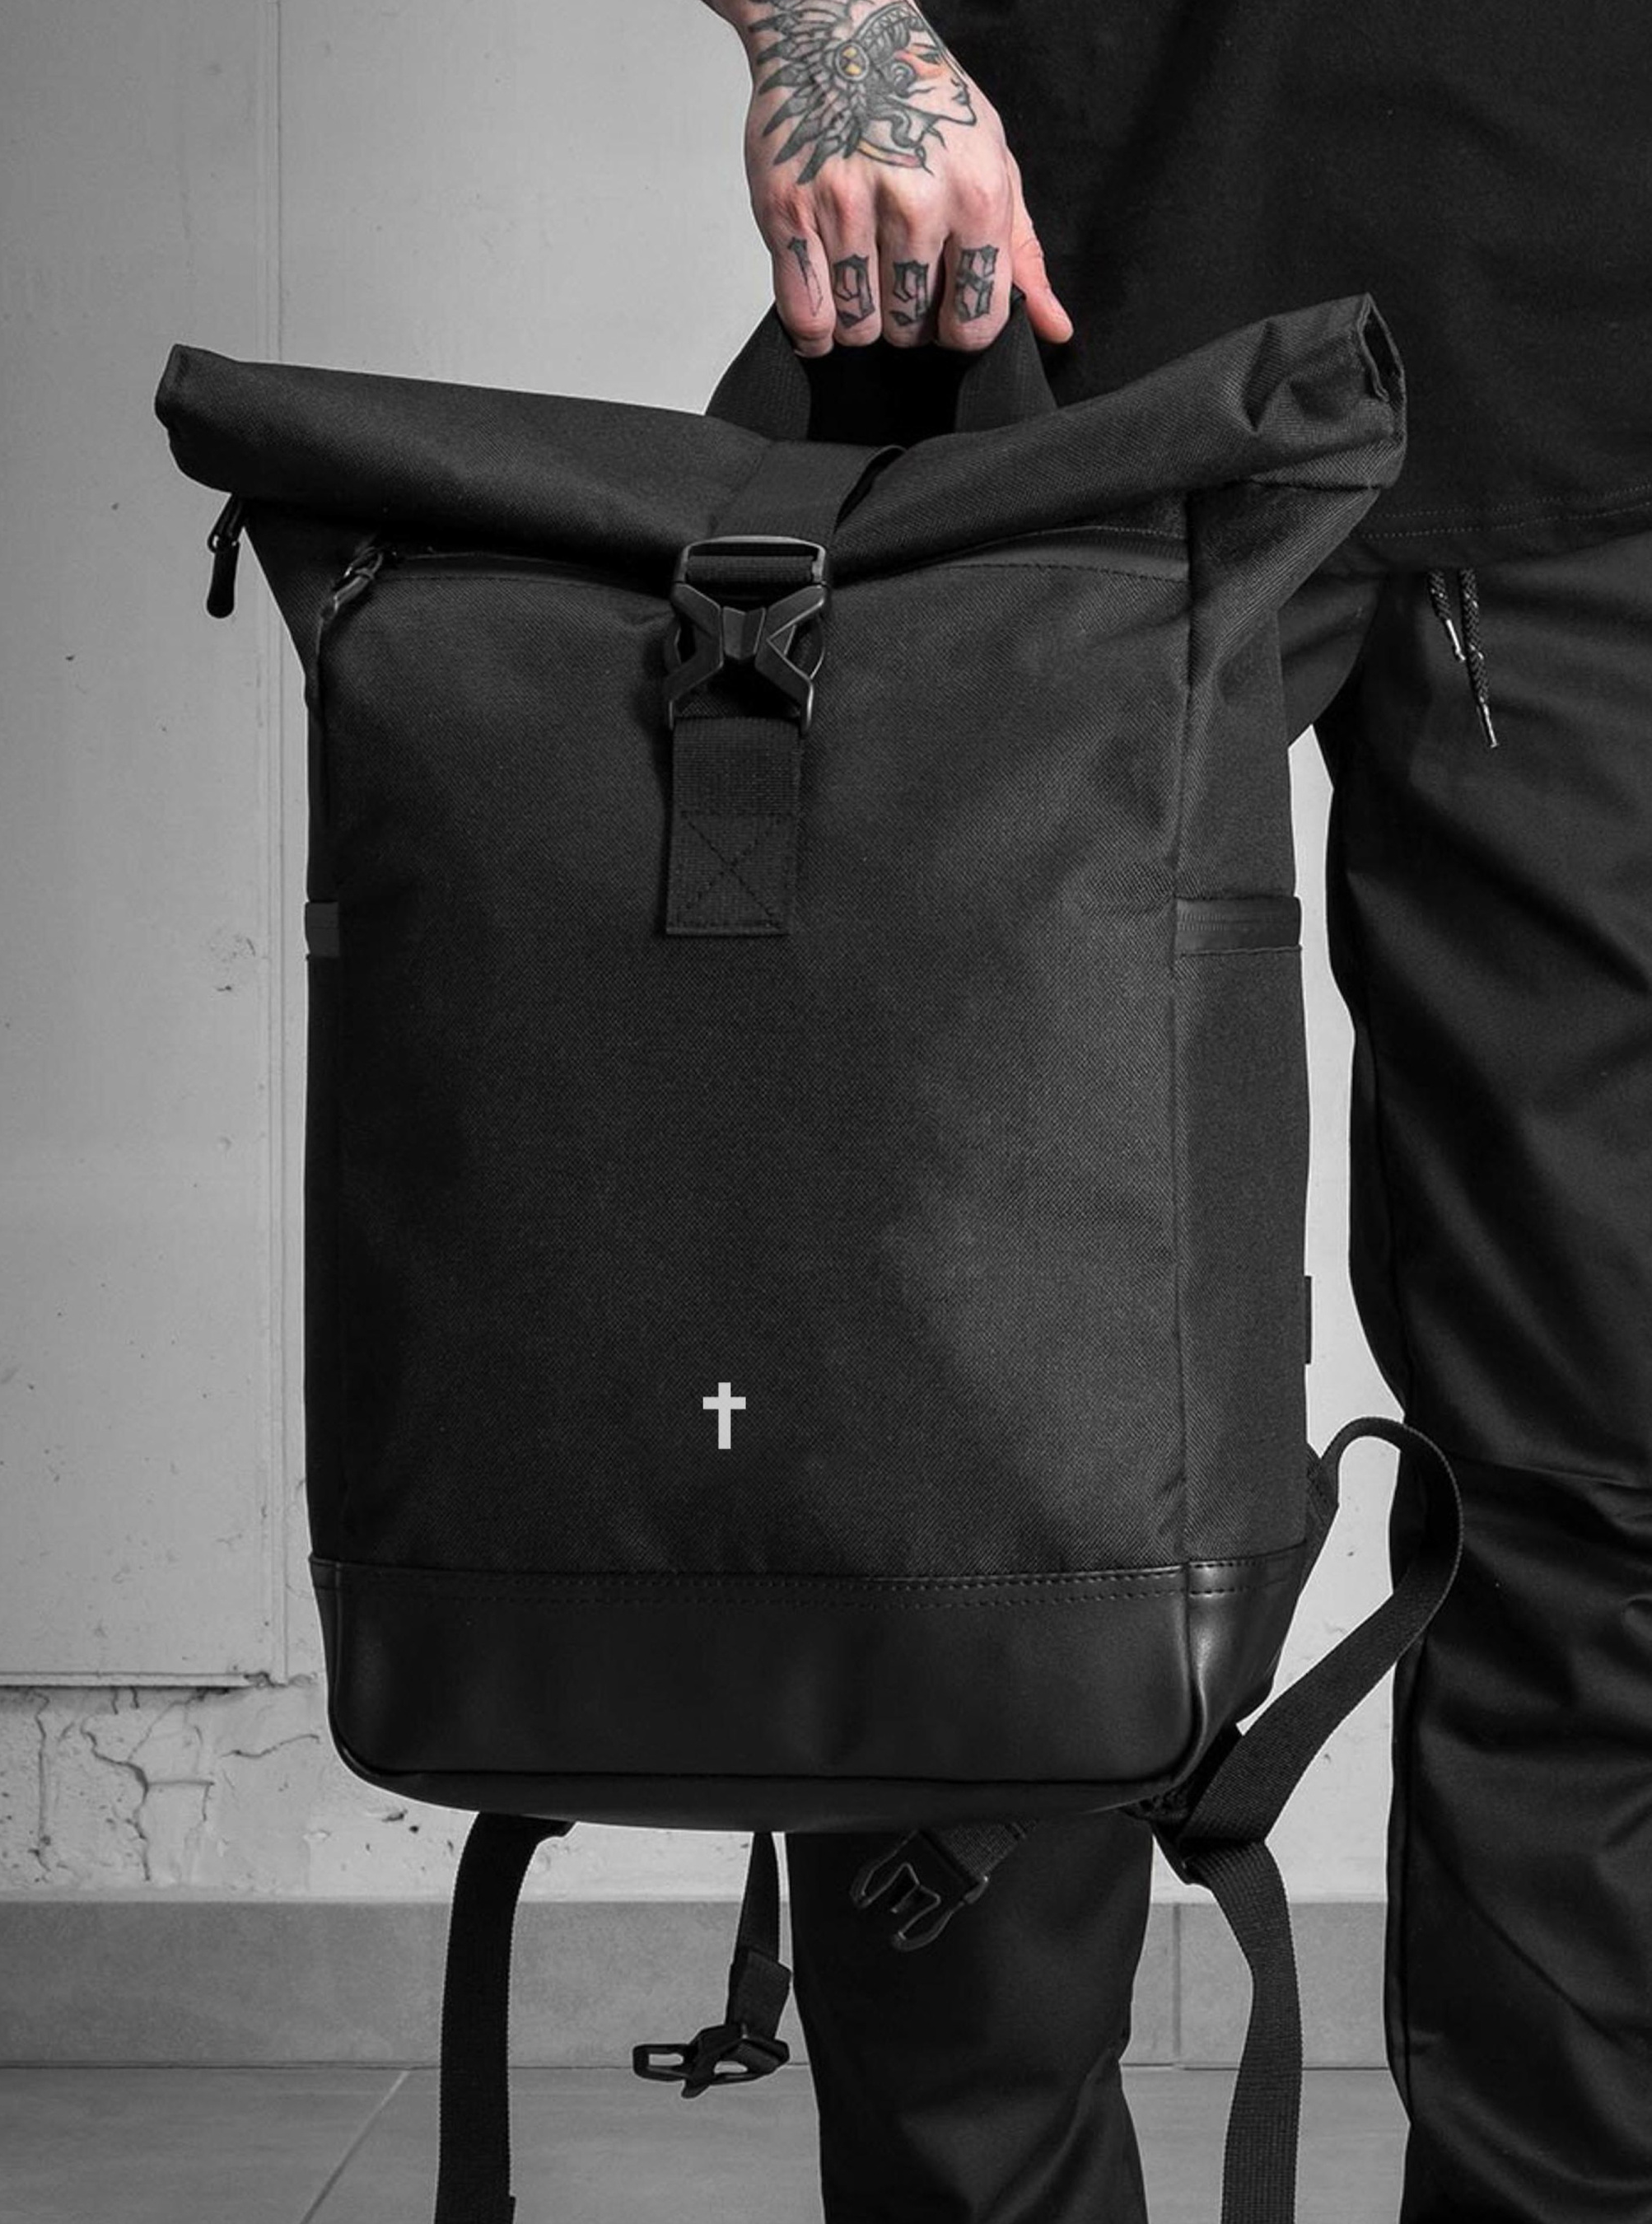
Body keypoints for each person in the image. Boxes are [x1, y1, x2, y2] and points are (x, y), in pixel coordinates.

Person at [700, 4, 1652, 2221]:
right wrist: (829, 28)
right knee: (953, 1481)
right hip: (1031, 347)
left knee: (1621, 1456)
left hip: (1610, 388)